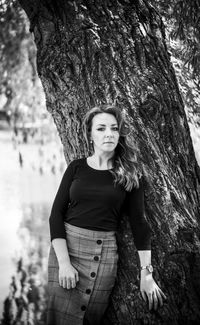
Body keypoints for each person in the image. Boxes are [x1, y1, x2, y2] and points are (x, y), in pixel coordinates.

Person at [47, 105, 166, 325]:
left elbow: (140, 224)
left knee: (90, 318)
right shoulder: (76, 167)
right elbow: (56, 216)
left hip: (103, 255)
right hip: (66, 252)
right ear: (90, 134)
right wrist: (64, 263)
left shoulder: (130, 173)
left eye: (114, 128)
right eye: (101, 128)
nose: (109, 134)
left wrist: (146, 273)